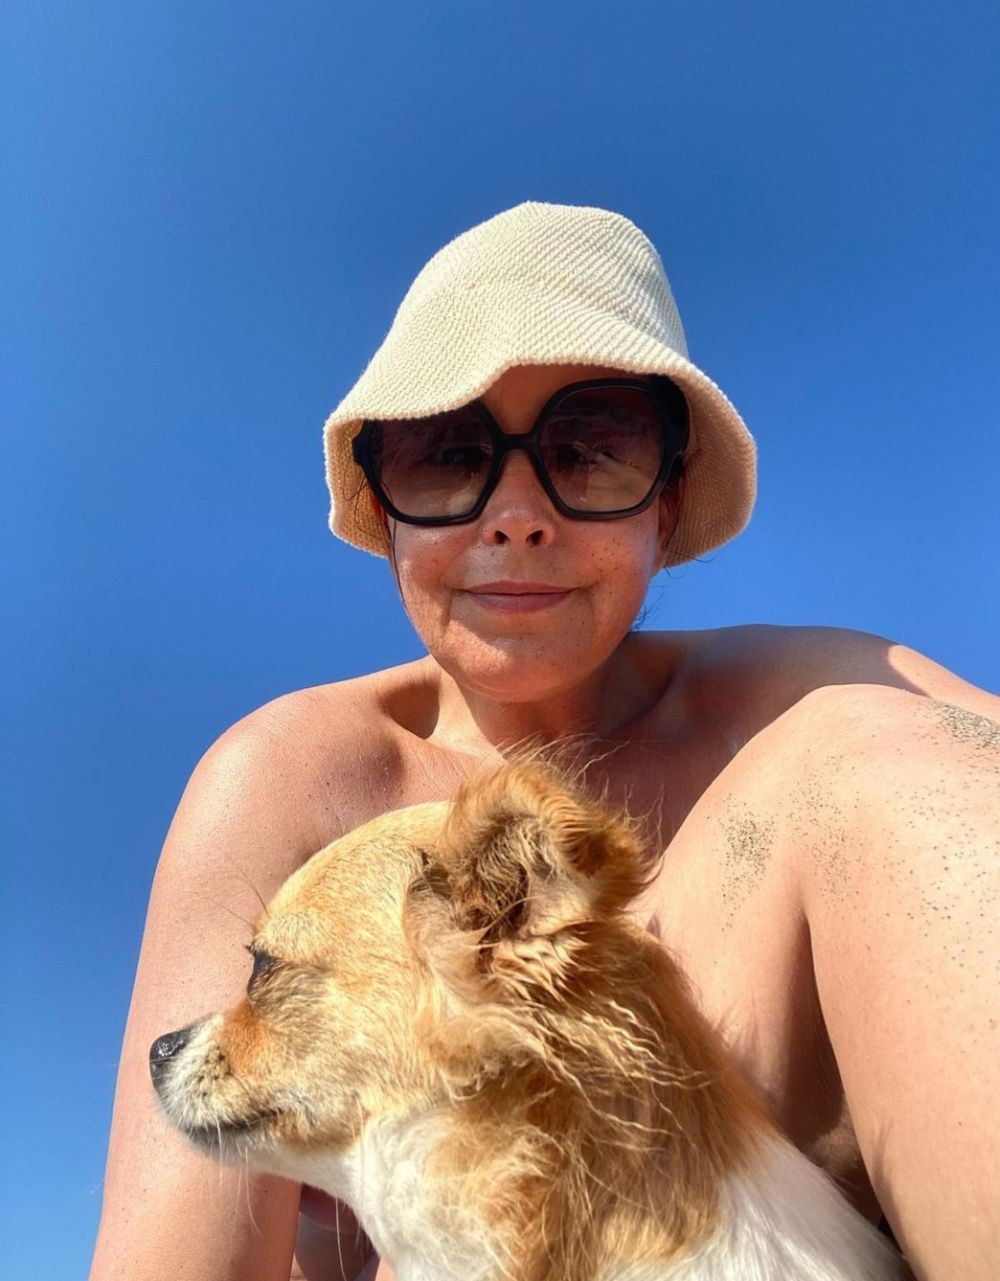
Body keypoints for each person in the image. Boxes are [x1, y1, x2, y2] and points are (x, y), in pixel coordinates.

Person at [90, 202, 999, 1281]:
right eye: (443, 455)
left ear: (666, 503)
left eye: (591, 449)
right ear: (385, 508)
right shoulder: (292, 777)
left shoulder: (825, 710)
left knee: (878, 762)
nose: (516, 515)